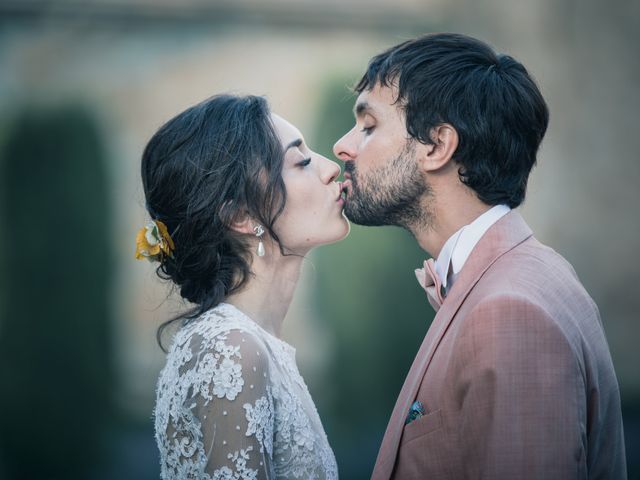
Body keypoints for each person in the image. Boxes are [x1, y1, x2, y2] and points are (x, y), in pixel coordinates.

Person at [333, 33, 626, 479]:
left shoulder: (511, 312)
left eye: (369, 126)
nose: (343, 146)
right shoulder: (519, 276)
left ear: (437, 146)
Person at [138, 94, 347, 479]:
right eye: (301, 162)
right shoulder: (231, 349)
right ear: (239, 215)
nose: (331, 168)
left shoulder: (250, 342)